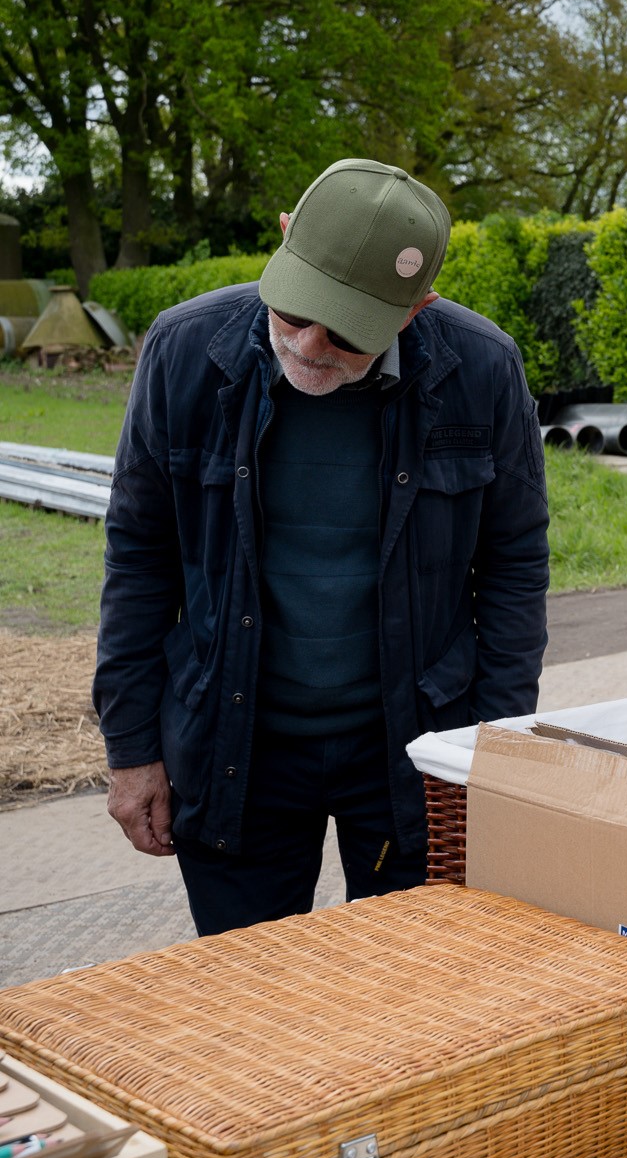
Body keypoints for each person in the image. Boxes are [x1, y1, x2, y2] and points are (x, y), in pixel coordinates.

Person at [95, 159, 550, 937]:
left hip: (414, 748)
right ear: (283, 239)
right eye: (295, 309)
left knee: (410, 1000)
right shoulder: (184, 352)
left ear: (417, 307)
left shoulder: (481, 370)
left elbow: (513, 566)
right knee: (253, 1007)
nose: (308, 345)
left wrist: (490, 756)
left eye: (347, 332)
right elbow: (139, 555)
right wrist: (131, 747)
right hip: (235, 747)